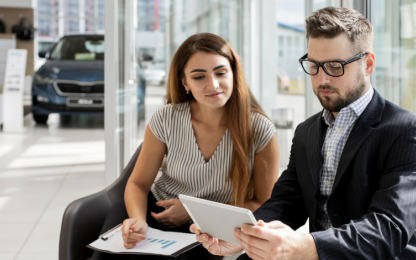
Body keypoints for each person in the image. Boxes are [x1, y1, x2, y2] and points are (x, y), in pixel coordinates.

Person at [192, 7, 416, 260]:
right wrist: (241, 237)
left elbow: (389, 229)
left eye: (334, 66)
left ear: (368, 64)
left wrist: (304, 247)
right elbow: (287, 202)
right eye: (314, 65)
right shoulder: (306, 131)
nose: (321, 79)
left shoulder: (405, 130)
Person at [92, 33, 280, 260]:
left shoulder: (260, 129)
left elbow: (263, 202)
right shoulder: (166, 118)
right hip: (152, 209)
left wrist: (194, 212)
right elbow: (138, 184)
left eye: (221, 73)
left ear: (233, 74)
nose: (213, 84)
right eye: (199, 77)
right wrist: (138, 220)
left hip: (208, 226)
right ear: (185, 83)